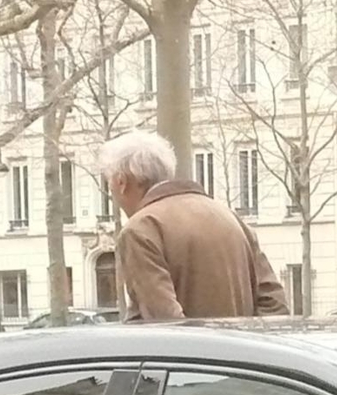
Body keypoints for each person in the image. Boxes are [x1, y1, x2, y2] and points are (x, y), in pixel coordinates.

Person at [99, 130, 290, 320]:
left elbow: (164, 322)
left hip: (189, 350)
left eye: (109, 183)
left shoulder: (140, 229)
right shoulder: (231, 218)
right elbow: (274, 305)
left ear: (121, 182)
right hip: (240, 349)